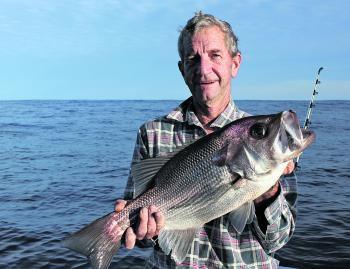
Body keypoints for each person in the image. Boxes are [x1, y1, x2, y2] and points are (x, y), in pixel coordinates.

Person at [115, 12, 297, 269]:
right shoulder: (152, 132)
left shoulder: (264, 140)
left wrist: (267, 193)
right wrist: (138, 230)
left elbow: (277, 240)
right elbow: (140, 240)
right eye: (193, 59)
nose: (204, 69)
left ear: (235, 64)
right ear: (182, 70)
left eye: (215, 55)